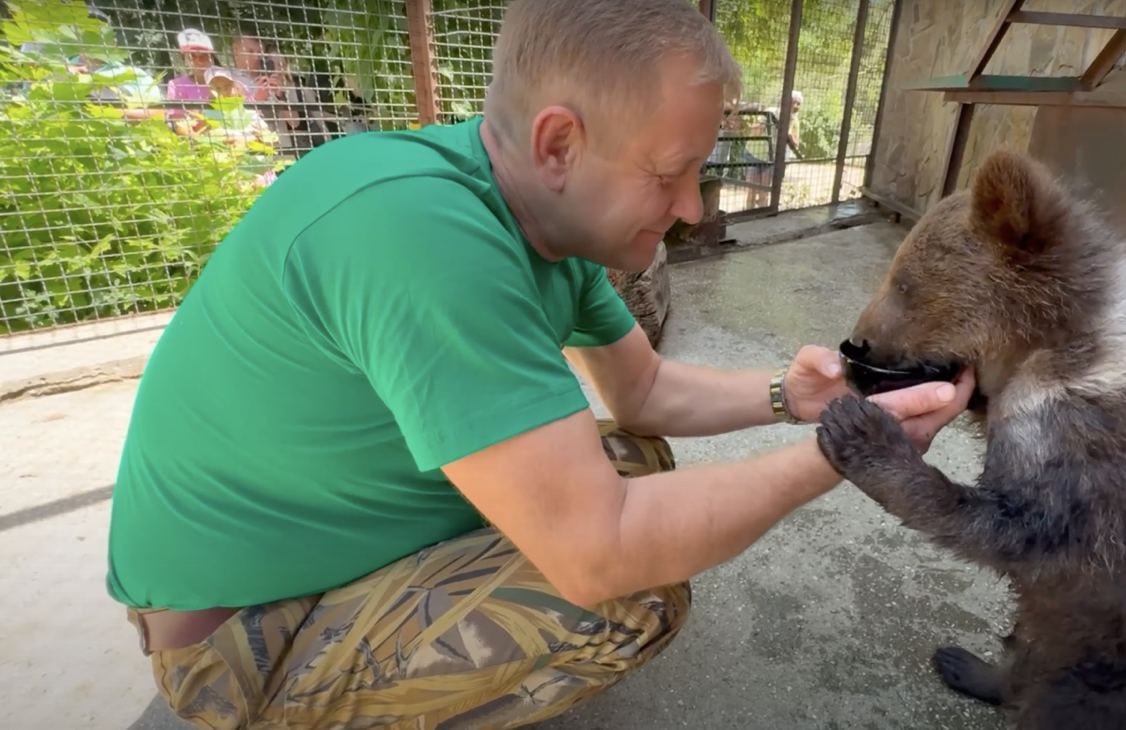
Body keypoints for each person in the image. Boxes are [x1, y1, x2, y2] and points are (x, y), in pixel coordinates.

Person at [105, 1, 975, 728]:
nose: (691, 209)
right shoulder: (421, 237)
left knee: (633, 463)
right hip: (245, 637)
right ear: (559, 144)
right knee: (622, 595)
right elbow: (601, 554)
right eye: (672, 174)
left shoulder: (537, 223)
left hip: (325, 542)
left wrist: (797, 398)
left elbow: (644, 393)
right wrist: (846, 454)